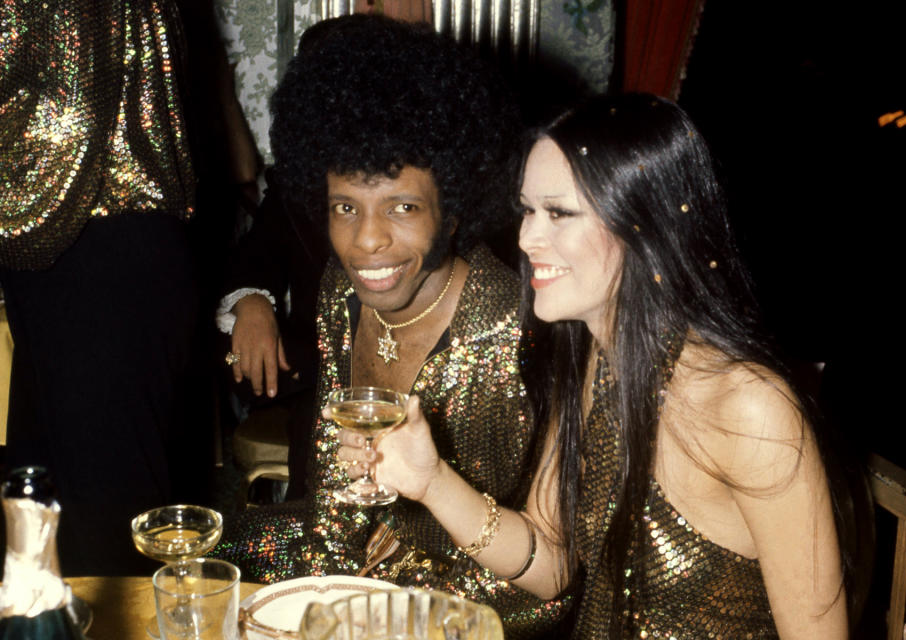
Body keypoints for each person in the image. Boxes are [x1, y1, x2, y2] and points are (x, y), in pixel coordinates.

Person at [340, 93, 869, 638]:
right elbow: (551, 565)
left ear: (646, 226)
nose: (526, 239)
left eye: (559, 213)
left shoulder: (748, 407)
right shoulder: (595, 360)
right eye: (526, 210)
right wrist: (430, 481)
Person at [213, 15, 570, 636]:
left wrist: (397, 585)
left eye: (402, 207)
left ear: (453, 210)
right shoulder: (336, 294)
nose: (367, 241)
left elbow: (546, 573)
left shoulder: (511, 329)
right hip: (365, 563)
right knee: (207, 565)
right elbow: (334, 493)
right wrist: (337, 576)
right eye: (345, 208)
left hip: (492, 599)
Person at [0, 0, 200, 574]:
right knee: (46, 509)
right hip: (82, 238)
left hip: (90, 242)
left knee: (106, 528)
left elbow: (69, 117)